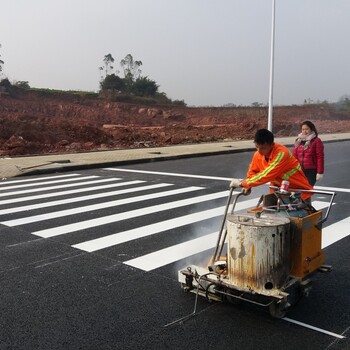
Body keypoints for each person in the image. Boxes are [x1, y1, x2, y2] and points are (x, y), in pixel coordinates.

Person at [230, 128, 313, 200]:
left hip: (298, 192)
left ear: (271, 145)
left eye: (263, 148)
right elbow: (253, 172)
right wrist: (248, 186)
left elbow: (268, 174)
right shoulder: (258, 154)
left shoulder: (281, 153)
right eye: (256, 147)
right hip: (277, 192)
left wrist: (242, 183)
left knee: (297, 216)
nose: (259, 150)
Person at [292, 120, 324, 186]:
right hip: (300, 170)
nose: (304, 131)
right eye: (303, 129)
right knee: (300, 190)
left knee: (307, 190)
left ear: (311, 129)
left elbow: (320, 157)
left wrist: (320, 172)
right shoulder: (298, 140)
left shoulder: (316, 141)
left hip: (311, 171)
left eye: (306, 129)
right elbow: (294, 156)